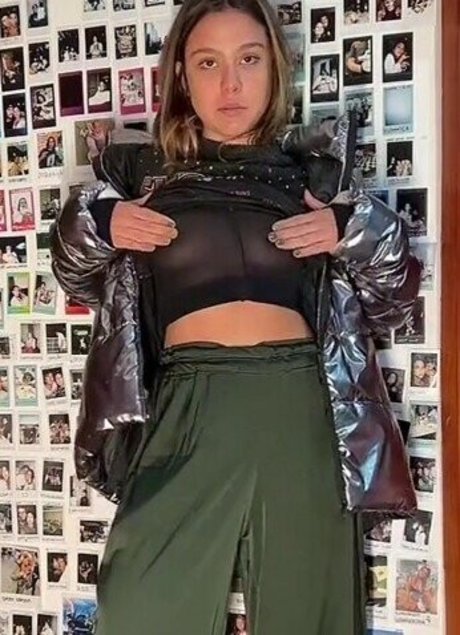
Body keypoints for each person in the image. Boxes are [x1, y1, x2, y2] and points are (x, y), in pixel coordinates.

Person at [49, 1, 420, 633]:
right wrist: (103, 222)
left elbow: (395, 298)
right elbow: (75, 273)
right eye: (208, 63)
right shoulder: (142, 177)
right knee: (139, 609)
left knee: (311, 614)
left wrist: (351, 229)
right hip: (186, 406)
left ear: (274, 67)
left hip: (302, 404)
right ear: (181, 76)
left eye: (249, 59)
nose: (230, 83)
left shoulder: (314, 179)